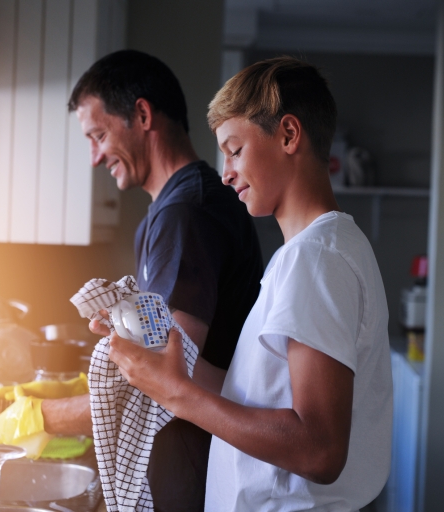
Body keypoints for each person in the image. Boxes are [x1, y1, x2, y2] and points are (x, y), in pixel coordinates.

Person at [107, 56, 393, 510]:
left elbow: (319, 450)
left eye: (235, 150)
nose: (226, 173)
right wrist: (163, 365)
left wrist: (179, 396)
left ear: (288, 135)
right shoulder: (316, 251)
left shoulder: (314, 258)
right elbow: (255, 398)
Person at [40, 50, 264, 511]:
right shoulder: (170, 211)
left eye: (99, 135)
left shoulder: (186, 214)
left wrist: (43, 416)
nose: (94, 156)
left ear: (142, 115)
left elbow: (163, 376)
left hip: (191, 480)